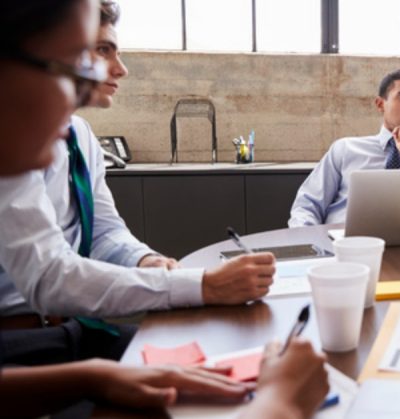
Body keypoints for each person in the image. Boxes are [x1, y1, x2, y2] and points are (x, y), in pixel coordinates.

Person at [0, 0, 328, 416]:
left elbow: (103, 232)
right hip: (21, 340)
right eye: (83, 60)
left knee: (213, 376)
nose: (114, 70)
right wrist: (200, 287)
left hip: (71, 331)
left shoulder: (77, 137)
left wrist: (146, 260)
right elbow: (48, 275)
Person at [288, 69, 400, 227]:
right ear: (380, 104)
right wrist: (312, 242)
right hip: (343, 246)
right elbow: (306, 206)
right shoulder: (345, 149)